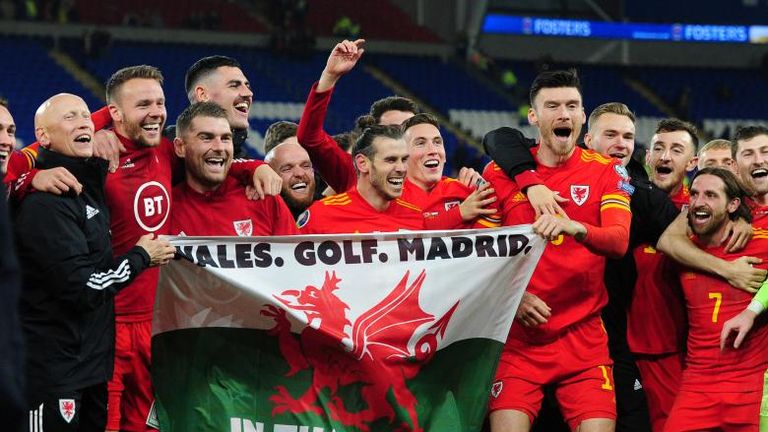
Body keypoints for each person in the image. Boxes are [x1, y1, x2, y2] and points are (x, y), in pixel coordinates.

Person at [13, 93, 174, 432]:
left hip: (89, 369)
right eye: (69, 117)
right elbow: (84, 287)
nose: (84, 123)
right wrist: (141, 257)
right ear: (43, 136)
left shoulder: (86, 189)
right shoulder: (46, 201)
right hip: (53, 373)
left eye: (86, 115)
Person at [483, 70, 631, 432]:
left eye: (572, 106)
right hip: (517, 338)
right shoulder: (499, 172)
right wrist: (513, 296)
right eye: (552, 106)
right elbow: (483, 254)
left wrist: (574, 226)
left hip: (583, 338)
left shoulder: (608, 172)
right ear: (534, 116)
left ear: (583, 115)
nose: (563, 114)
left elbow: (618, 241)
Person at [297, 39, 497, 230]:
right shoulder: (363, 176)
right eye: (393, 131)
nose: (399, 141)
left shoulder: (459, 188)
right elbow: (310, 138)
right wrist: (329, 77)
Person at [664, 167, 768, 431]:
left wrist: (753, 310)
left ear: (733, 205)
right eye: (695, 194)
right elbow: (666, 241)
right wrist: (728, 270)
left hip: (751, 386)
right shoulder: (683, 250)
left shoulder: (760, 244)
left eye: (710, 195)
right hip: (697, 385)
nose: (699, 202)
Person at [170, 102, 297, 236]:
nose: (219, 147)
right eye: (206, 138)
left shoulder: (263, 198)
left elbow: (294, 249)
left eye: (225, 138)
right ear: (180, 147)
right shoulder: (165, 208)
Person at [298, 124, 424, 233]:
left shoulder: (415, 217)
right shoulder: (320, 216)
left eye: (404, 159)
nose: (402, 168)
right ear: (362, 163)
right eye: (391, 160)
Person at [263, 128, 317, 219]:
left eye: (305, 166)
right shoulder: (259, 217)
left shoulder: (329, 209)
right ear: (270, 175)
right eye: (287, 169)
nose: (300, 173)